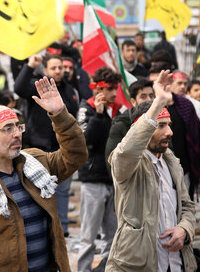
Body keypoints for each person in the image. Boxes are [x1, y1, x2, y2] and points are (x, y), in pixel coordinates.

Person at [0, 76, 88, 271]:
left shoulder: (37, 163)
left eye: (18, 126)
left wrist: (59, 114)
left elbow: (76, 155)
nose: (16, 134)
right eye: (7, 128)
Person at [107, 70, 197, 271]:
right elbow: (126, 151)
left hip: (176, 263)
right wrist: (158, 103)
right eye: (161, 126)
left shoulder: (171, 162)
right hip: (139, 264)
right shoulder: (127, 164)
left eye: (169, 125)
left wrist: (184, 230)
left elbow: (187, 206)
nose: (169, 132)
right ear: (143, 128)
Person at [14, 53, 79, 236]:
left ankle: (62, 230)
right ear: (45, 70)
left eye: (61, 68)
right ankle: (41, 230)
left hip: (61, 149)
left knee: (63, 191)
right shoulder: (37, 87)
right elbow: (19, 88)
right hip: (39, 149)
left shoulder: (69, 90)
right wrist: (30, 65)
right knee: (39, 191)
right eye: (54, 68)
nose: (58, 71)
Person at [76, 67, 122, 272]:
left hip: (113, 179)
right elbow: (86, 140)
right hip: (93, 180)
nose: (114, 93)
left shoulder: (117, 109)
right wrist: (99, 115)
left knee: (114, 236)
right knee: (88, 236)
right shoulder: (86, 108)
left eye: (116, 88)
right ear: (99, 89)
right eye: (110, 89)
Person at [104, 78, 155, 173]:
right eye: (143, 96)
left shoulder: (160, 121)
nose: (149, 100)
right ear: (133, 101)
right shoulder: (121, 125)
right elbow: (112, 164)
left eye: (151, 96)